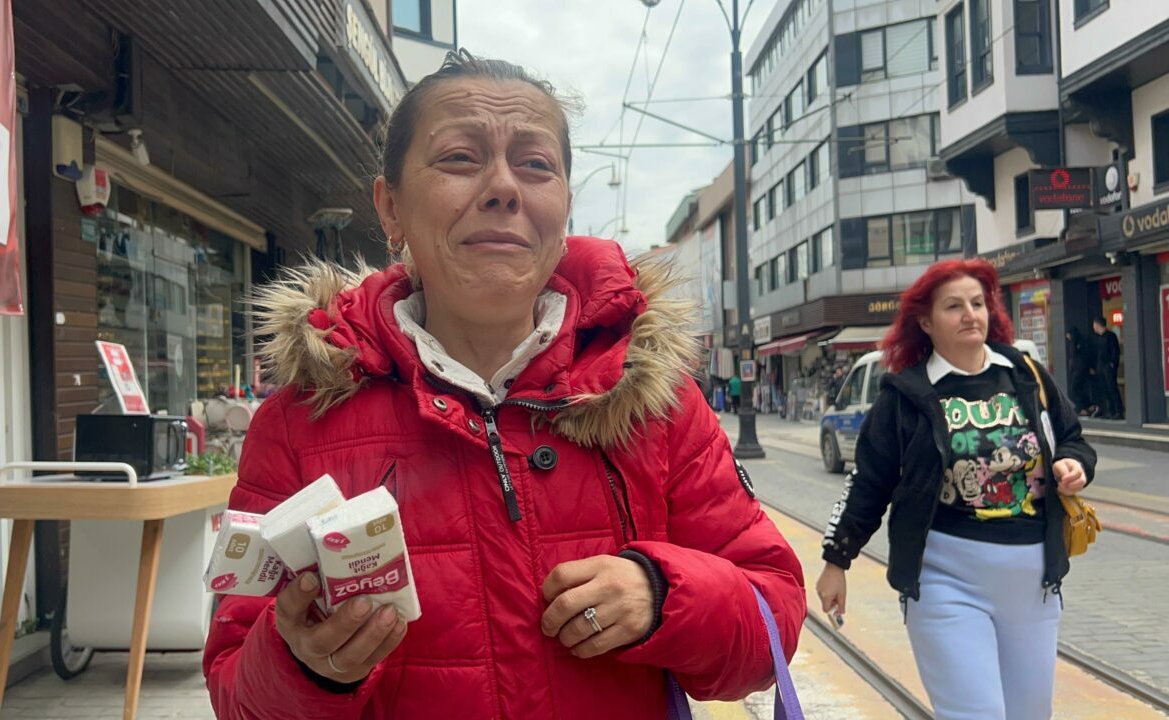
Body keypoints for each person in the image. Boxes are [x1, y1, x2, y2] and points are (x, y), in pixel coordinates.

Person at [203, 50, 805, 719]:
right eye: (460, 157)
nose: (503, 187)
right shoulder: (297, 422)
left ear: (565, 206)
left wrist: (664, 595)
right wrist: (305, 668)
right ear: (391, 209)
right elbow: (237, 695)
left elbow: (771, 619)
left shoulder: (655, 404)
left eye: (536, 164)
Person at [815, 259, 1096, 720]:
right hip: (946, 580)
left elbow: (1073, 438)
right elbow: (869, 482)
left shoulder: (1025, 374)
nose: (970, 314)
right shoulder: (905, 395)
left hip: (1033, 582)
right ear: (925, 322)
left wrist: (1075, 464)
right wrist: (836, 560)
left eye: (977, 303)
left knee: (1031, 714)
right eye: (954, 306)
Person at [1092, 317, 1123, 419]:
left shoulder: (1110, 336)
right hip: (1100, 367)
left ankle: (1119, 411)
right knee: (1104, 389)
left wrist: (1113, 363)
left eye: (1094, 325)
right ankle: (1110, 411)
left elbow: (1115, 351)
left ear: (1098, 325)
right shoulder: (1098, 338)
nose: (1093, 327)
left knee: (1112, 388)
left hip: (1108, 367)